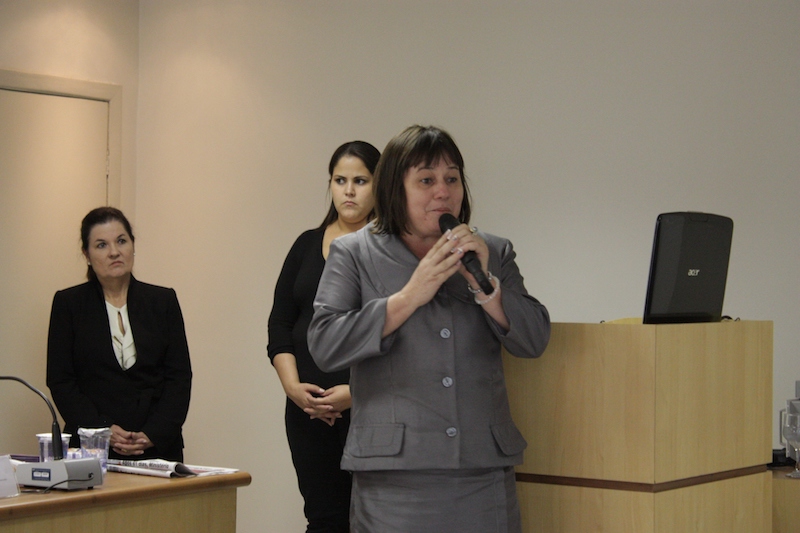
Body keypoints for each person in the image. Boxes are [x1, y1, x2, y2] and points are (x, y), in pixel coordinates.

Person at [308, 125, 551, 533]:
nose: (443, 191)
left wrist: (489, 289)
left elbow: (535, 339)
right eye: (426, 180)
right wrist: (407, 298)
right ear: (394, 189)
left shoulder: (492, 250)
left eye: (451, 179)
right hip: (394, 478)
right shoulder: (354, 252)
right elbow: (325, 344)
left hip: (483, 473)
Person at [267, 140, 380, 533]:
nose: (349, 191)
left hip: (370, 408)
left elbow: (400, 337)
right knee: (323, 519)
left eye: (360, 181)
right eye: (340, 180)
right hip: (308, 411)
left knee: (370, 520)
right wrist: (293, 388)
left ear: (379, 185)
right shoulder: (305, 244)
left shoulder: (391, 250)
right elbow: (280, 324)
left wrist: (354, 393)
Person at [46, 207, 192, 462]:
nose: (114, 252)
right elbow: (61, 380)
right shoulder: (68, 304)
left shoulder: (163, 301)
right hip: (92, 448)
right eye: (101, 245)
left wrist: (154, 432)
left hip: (157, 447)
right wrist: (101, 430)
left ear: (132, 246)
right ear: (87, 254)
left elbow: (179, 377)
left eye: (121, 241)